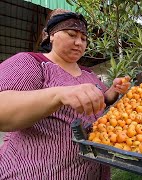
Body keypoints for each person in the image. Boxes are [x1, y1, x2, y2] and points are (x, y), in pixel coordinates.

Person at [0, 9, 130, 179]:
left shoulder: (88, 74)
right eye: (71, 34)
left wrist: (114, 90)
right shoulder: (31, 62)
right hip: (33, 172)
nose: (79, 43)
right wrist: (59, 95)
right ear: (51, 35)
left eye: (83, 39)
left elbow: (101, 101)